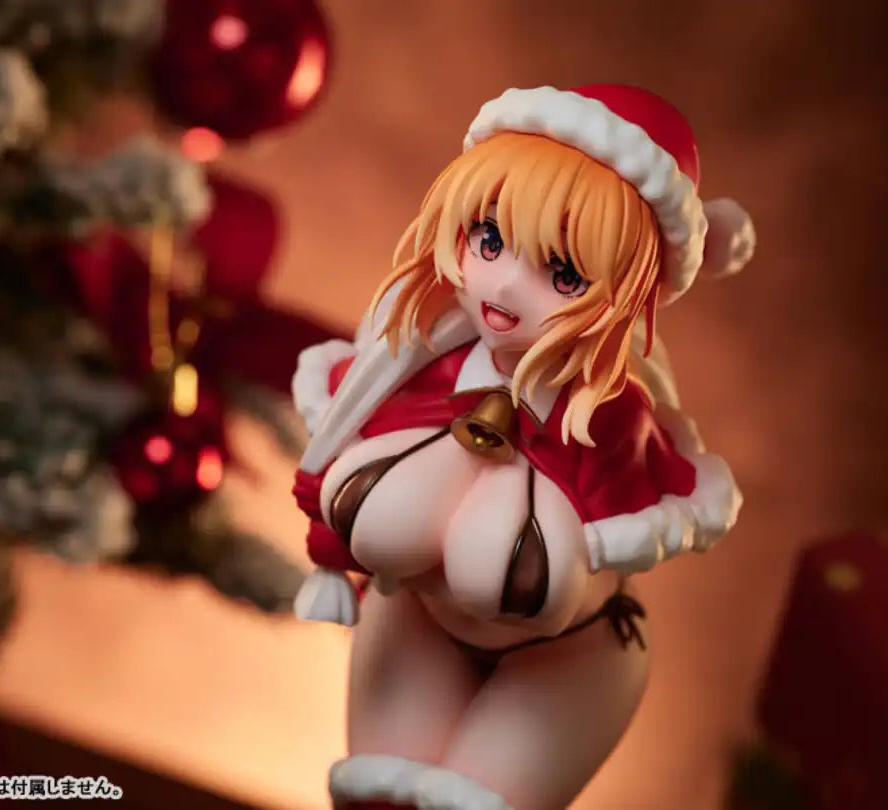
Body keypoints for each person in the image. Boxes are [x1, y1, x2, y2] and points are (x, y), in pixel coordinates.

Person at [290, 83, 756, 810]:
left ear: (628, 294)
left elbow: (633, 521)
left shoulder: (609, 422)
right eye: (490, 239)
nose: (505, 285)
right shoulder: (410, 362)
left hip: (570, 663)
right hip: (414, 623)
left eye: (563, 273)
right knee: (375, 797)